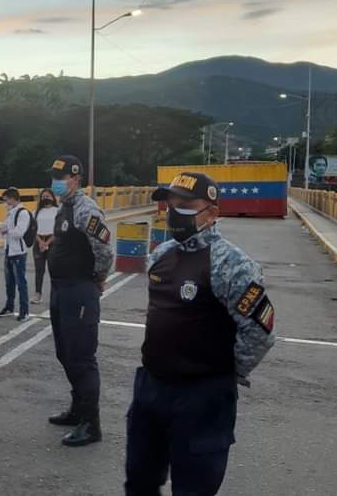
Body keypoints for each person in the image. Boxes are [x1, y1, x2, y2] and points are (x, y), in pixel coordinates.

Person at [124, 172, 276, 496]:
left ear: (212, 212)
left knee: (194, 488)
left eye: (185, 205)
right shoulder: (161, 254)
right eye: (170, 204)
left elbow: (259, 332)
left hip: (203, 398)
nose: (173, 212)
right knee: (139, 480)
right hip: (151, 389)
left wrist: (221, 373)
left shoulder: (232, 264)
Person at [45, 155, 113, 447]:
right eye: (54, 176)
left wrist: (97, 277)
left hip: (79, 291)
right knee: (65, 353)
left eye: (61, 177)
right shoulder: (65, 207)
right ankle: (77, 409)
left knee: (82, 358)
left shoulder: (86, 208)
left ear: (75, 178)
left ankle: (91, 423)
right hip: (60, 290)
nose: (56, 182)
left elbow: (105, 247)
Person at [0, 187, 30, 322]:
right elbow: (3, 228)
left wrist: (7, 231)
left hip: (18, 252)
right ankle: (9, 306)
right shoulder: (10, 212)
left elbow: (18, 233)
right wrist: (6, 230)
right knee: (9, 282)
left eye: (7, 200)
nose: (5, 203)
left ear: (13, 198)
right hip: (8, 250)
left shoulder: (23, 213)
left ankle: (24, 311)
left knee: (20, 282)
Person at [32, 188, 59, 304]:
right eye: (43, 197)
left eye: (48, 196)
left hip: (53, 242)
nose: (45, 198)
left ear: (53, 198)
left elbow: (59, 230)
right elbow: (33, 229)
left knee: (54, 270)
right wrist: (40, 242)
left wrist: (47, 242)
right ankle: (38, 294)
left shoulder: (58, 211)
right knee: (39, 270)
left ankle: (56, 294)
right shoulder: (36, 212)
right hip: (39, 242)